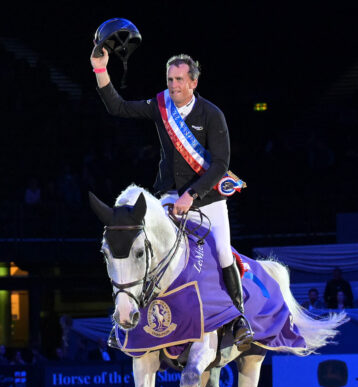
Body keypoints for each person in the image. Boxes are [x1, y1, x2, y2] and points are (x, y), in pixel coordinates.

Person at [92, 49, 252, 349]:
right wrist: (101, 70)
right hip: (167, 195)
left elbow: (220, 164)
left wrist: (192, 194)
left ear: (193, 82)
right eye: (169, 80)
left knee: (222, 252)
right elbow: (118, 107)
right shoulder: (160, 106)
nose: (173, 85)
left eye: (179, 80)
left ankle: (238, 318)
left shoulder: (212, 114)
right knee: (144, 246)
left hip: (208, 198)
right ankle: (126, 318)